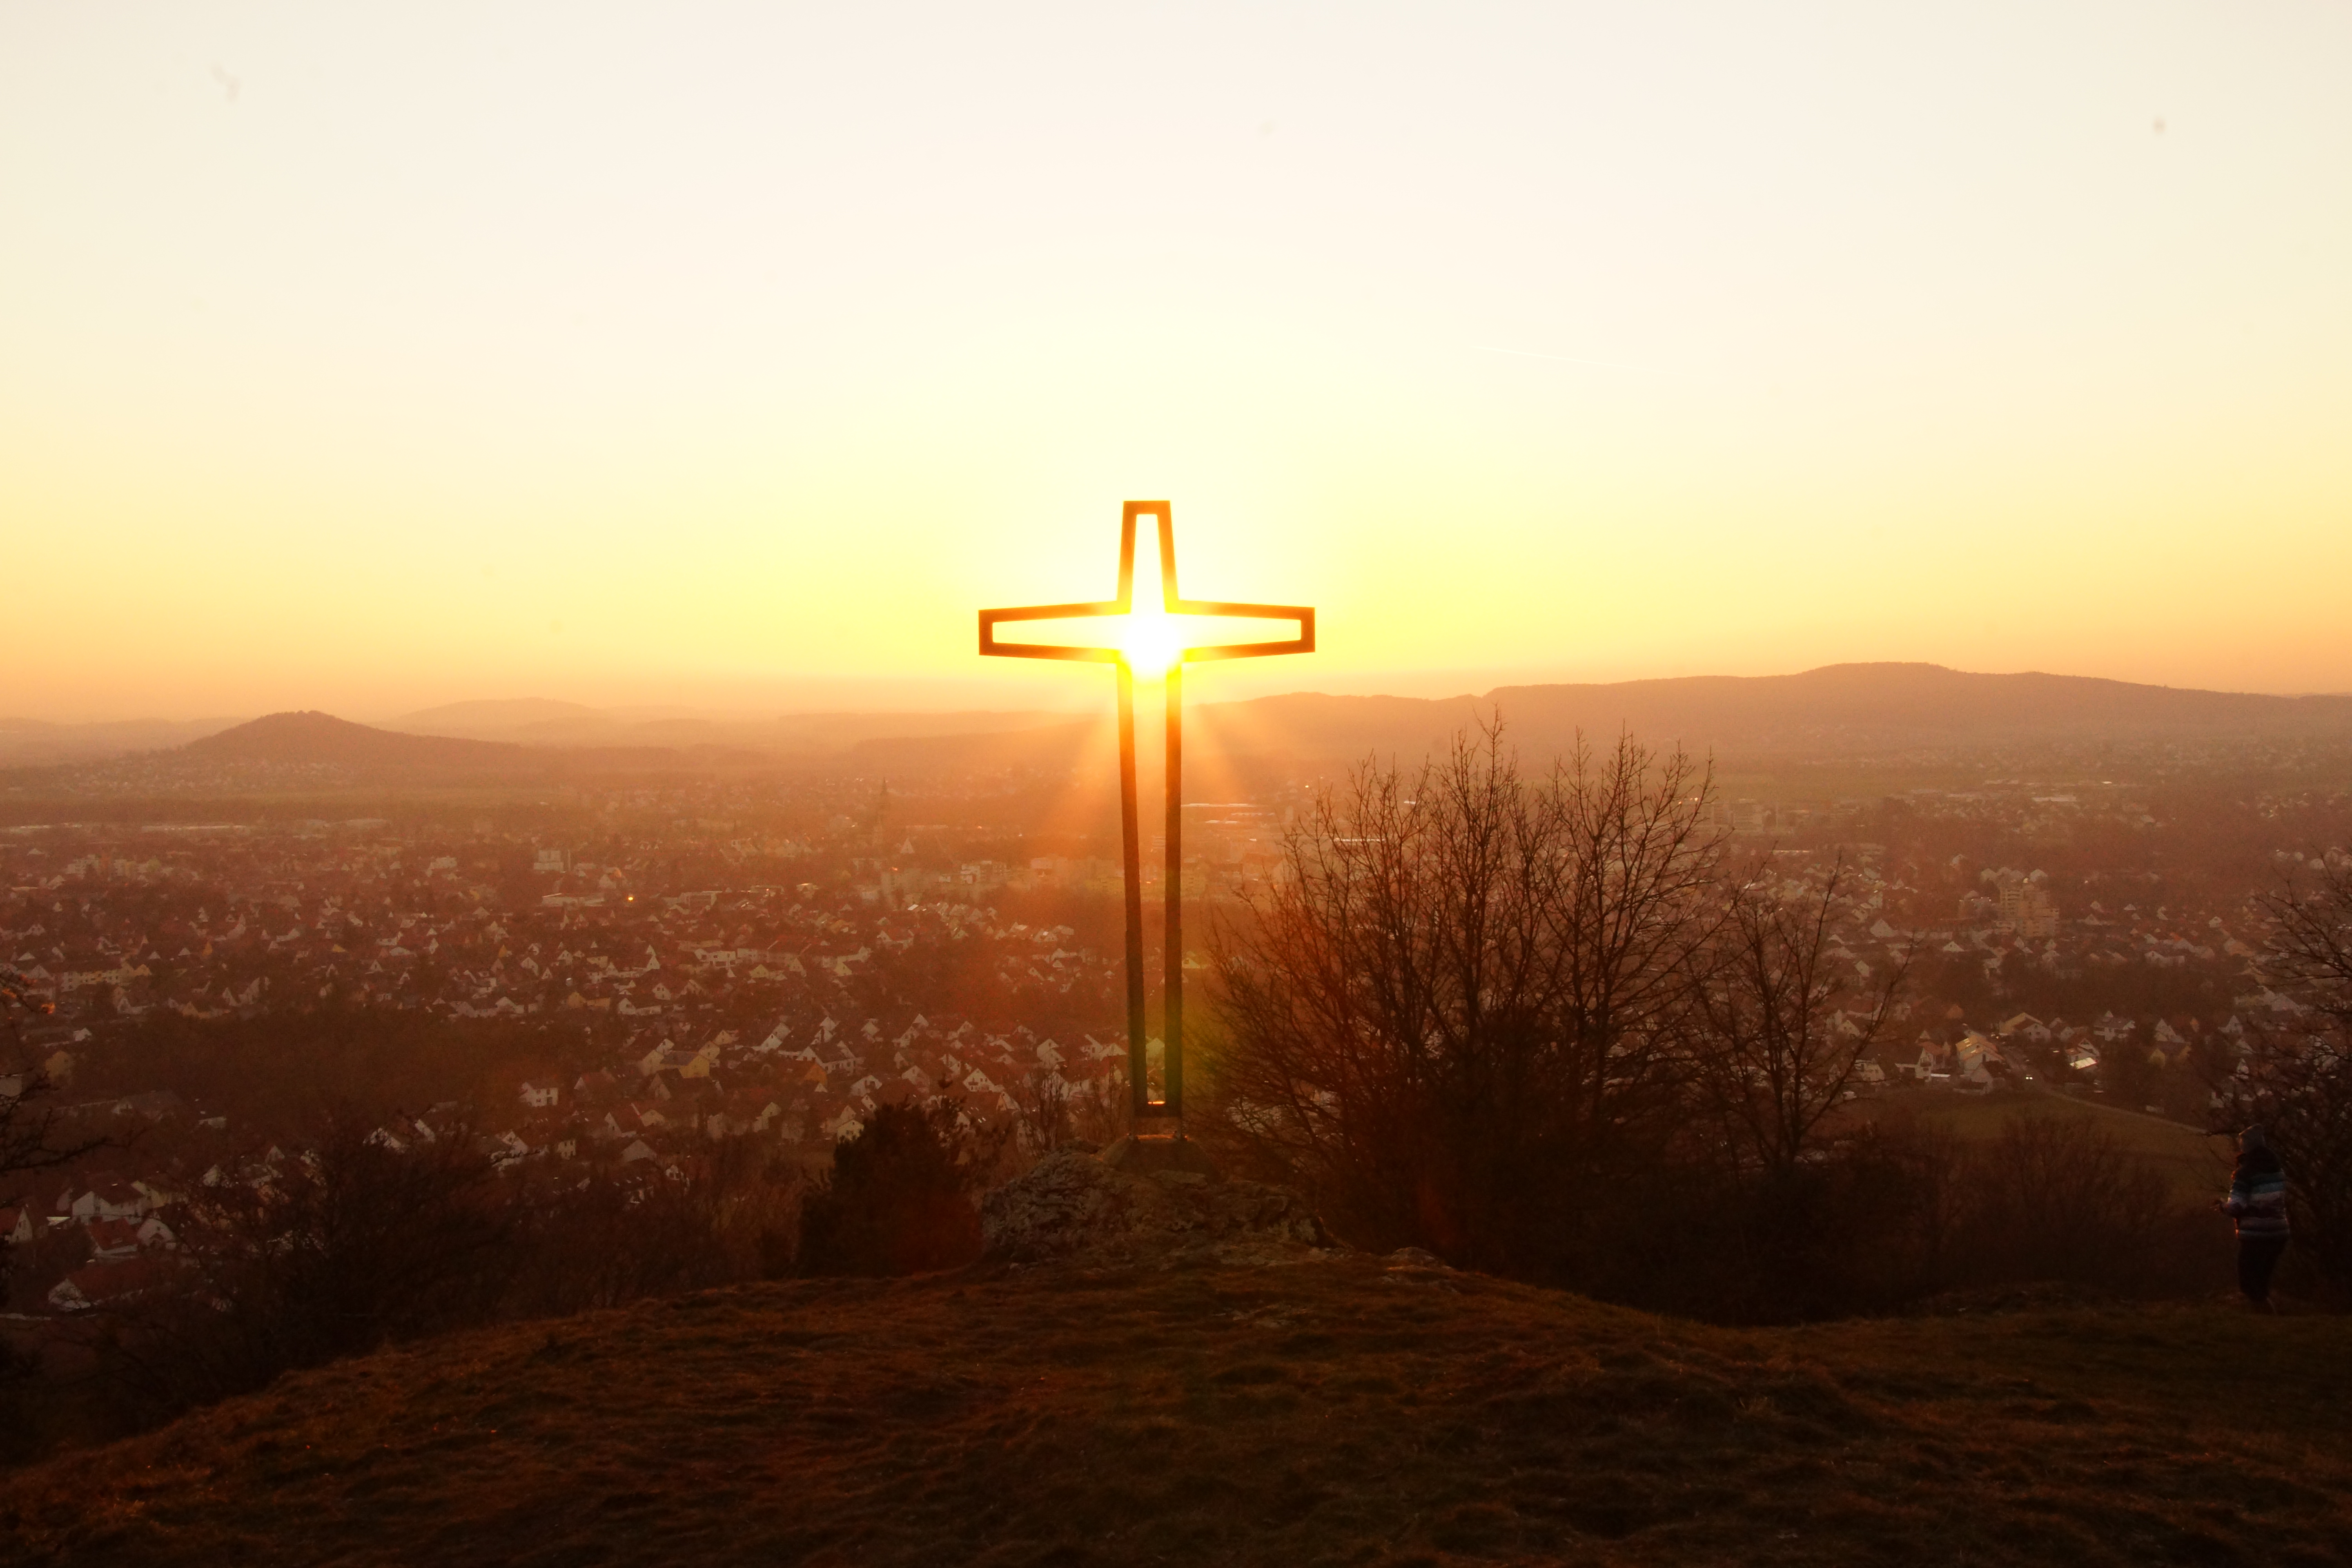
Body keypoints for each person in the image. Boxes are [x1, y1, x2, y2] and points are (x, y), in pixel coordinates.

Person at [2219, 1125, 2290, 1311]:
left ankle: (2265, 1317)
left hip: (2256, 1235)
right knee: (2262, 1282)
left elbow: (2237, 1207)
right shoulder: (2278, 1171)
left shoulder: (2245, 1174)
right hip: (2279, 1233)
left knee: (2249, 1284)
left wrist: (2223, 1207)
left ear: (2247, 1147)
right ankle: (2268, 1323)